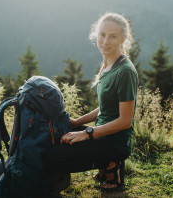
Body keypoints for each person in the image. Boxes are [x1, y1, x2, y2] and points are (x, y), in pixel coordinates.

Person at [45, 12, 138, 192]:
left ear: (123, 39)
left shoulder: (125, 71)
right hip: (99, 133)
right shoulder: (107, 64)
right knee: (57, 136)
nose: (105, 41)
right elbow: (105, 108)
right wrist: (76, 123)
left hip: (115, 143)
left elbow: (125, 121)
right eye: (102, 35)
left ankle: (112, 164)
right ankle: (104, 162)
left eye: (113, 36)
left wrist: (86, 133)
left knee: (52, 158)